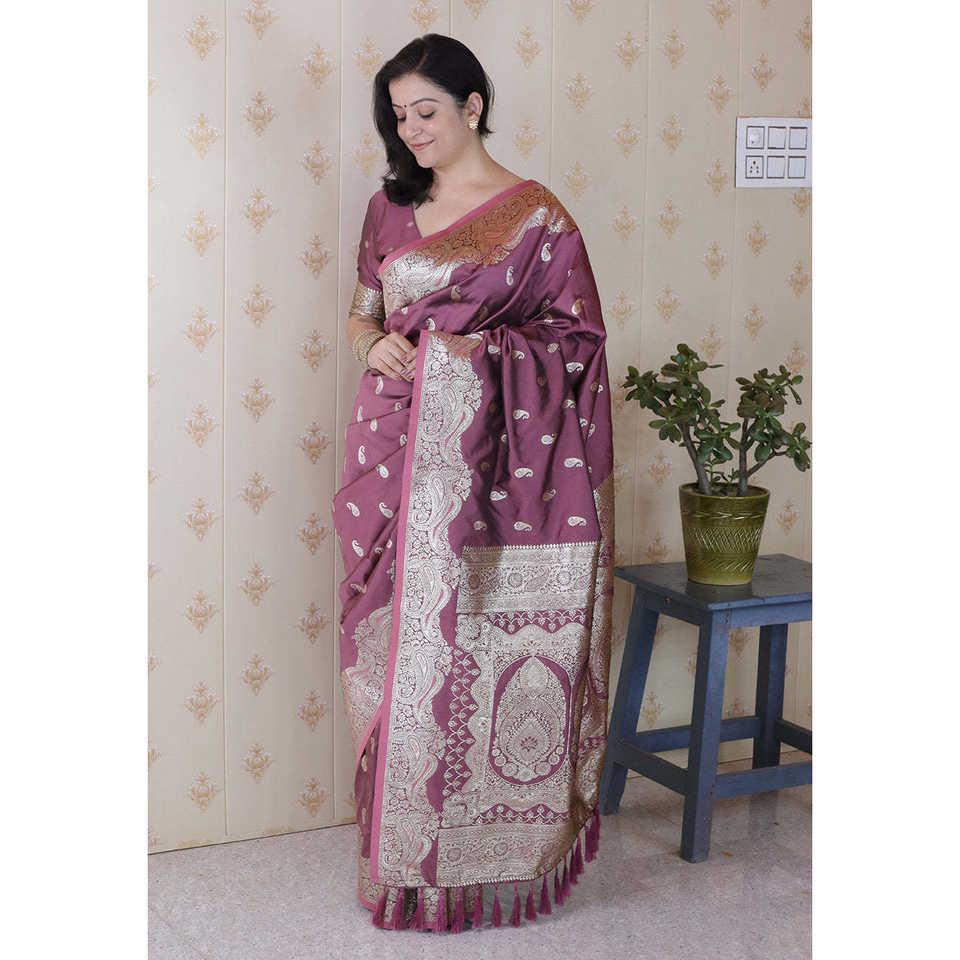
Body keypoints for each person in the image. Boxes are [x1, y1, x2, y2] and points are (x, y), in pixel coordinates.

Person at [331, 33, 614, 933]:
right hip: (390, 448)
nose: (411, 130)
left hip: (497, 472)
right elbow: (362, 314)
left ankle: (479, 866)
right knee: (392, 648)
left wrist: (460, 359)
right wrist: (371, 346)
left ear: (473, 106)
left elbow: (577, 343)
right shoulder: (388, 207)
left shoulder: (537, 219)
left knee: (473, 641)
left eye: (427, 111)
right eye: (398, 116)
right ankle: (400, 861)